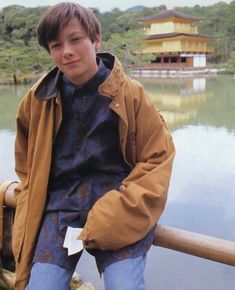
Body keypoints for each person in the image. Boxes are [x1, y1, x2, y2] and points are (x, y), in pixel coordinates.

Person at [12, 2, 175, 290]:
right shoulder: (37, 99)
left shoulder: (131, 95)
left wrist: (122, 207)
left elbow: (157, 159)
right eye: (56, 45)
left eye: (76, 40)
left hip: (118, 206)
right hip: (60, 209)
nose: (67, 51)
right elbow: (26, 163)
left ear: (95, 39)